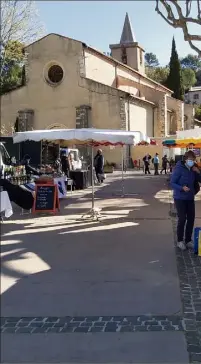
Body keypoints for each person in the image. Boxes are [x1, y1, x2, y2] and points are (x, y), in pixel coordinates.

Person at [170, 150, 201, 251]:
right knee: (182, 218)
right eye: (190, 160)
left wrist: (198, 172)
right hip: (180, 198)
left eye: (193, 160)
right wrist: (181, 188)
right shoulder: (179, 169)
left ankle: (188, 240)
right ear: (185, 159)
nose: (192, 162)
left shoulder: (193, 169)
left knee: (191, 218)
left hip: (190, 197)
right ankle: (180, 240)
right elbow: (172, 182)